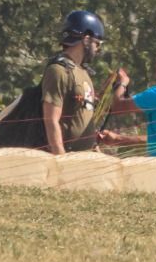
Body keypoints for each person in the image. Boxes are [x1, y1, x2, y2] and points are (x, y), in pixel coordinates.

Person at [32, 10, 105, 154]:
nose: (97, 49)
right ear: (86, 39)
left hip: (86, 160)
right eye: (97, 43)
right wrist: (61, 160)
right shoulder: (59, 71)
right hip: (68, 161)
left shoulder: (83, 73)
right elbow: (51, 120)